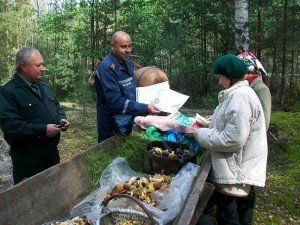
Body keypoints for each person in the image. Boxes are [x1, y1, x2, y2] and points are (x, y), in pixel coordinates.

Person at [194, 54, 268, 225]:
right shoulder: (237, 94)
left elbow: (233, 139)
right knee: (228, 211)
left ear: (230, 77)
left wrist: (200, 134)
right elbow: (230, 123)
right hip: (233, 167)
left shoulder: (240, 97)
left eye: (220, 76)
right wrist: (209, 124)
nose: (219, 81)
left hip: (235, 169)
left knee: (228, 215)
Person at [0, 47, 69, 184]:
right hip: (27, 161)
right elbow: (12, 127)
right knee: (29, 201)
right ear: (23, 67)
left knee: (55, 193)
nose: (43, 68)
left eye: (43, 64)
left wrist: (62, 119)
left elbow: (57, 106)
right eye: (38, 65)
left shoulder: (43, 86)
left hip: (51, 155)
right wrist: (43, 130)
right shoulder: (8, 92)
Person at [94, 31, 161, 142]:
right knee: (110, 156)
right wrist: (144, 108)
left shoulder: (128, 63)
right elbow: (115, 102)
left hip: (127, 121)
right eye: (123, 47)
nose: (128, 50)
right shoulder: (107, 68)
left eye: (130, 46)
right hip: (111, 125)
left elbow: (132, 90)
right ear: (112, 46)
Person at [235, 51, 272, 224]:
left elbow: (263, 123)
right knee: (242, 187)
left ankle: (246, 220)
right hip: (243, 147)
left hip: (251, 147)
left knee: (248, 189)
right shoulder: (248, 87)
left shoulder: (260, 89)